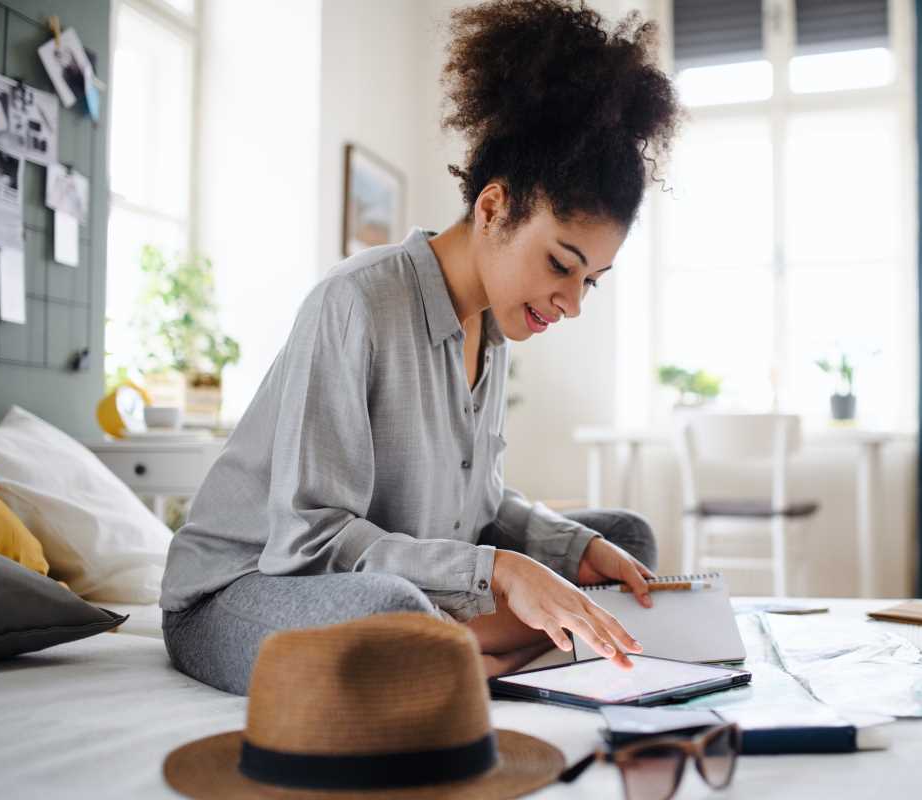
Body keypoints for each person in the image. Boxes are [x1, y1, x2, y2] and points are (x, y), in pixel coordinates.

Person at [160, 0, 682, 696]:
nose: (573, 302)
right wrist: (494, 571)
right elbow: (309, 543)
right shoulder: (355, 302)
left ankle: (459, 651)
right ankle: (454, 649)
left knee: (625, 542)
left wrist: (570, 549)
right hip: (246, 592)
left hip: (380, 573)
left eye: (592, 279)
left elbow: (479, 503)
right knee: (396, 614)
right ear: (493, 209)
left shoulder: (496, 327)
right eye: (561, 265)